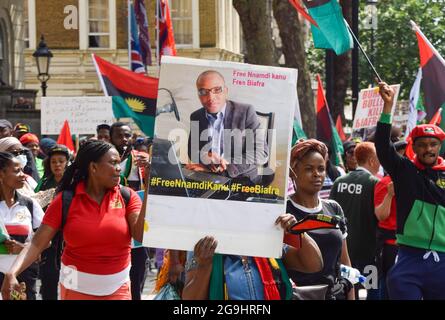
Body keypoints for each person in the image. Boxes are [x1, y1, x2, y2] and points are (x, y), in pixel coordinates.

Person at [1, 140, 148, 300]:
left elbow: (140, 236)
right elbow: (37, 243)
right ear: (93, 167)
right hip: (74, 289)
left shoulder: (127, 197)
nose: (119, 169)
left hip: (118, 289)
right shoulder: (65, 200)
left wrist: (149, 190)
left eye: (119, 163)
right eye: (113, 163)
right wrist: (12, 272)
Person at [375, 82, 445, 300]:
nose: (428, 149)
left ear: (439, 146)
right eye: (422, 144)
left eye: (433, 144)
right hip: (408, 259)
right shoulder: (405, 171)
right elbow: (383, 148)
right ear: (413, 147)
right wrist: (387, 108)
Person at [286, 139, 354, 300]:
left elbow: (345, 263)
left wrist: (351, 296)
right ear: (293, 172)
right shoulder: (284, 212)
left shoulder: (334, 208)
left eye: (321, 169)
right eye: (309, 169)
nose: (317, 174)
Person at [182, 224, 324, 300]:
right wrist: (204, 264)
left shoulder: (270, 238)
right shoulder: (205, 245)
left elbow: (314, 264)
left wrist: (297, 230)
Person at [187, 70, 268, 185]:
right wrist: (206, 156)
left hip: (243, 180)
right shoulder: (196, 116)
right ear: (198, 95)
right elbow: (192, 151)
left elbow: (261, 152)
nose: (211, 97)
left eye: (217, 90)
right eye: (203, 92)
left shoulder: (246, 112)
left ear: (226, 91)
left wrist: (227, 164)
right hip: (209, 177)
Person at [330, 142, 380, 299]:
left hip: (343, 251)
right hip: (369, 253)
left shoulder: (339, 182)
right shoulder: (374, 183)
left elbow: (330, 215)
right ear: (372, 160)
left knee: (348, 291)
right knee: (371, 291)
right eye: (379, 159)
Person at [110, 122, 151, 300]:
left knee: (139, 261)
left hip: (136, 212)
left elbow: (154, 185)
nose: (124, 139)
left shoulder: (140, 158)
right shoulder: (104, 159)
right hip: (112, 212)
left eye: (127, 135)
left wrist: (150, 167)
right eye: (119, 135)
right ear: (111, 137)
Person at [0, 152, 44, 300]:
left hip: (24, 275)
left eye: (22, 170)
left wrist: (23, 247)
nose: (23, 175)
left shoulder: (29, 204)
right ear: (1, 174)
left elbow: (46, 240)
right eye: (17, 170)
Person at [34, 145, 70, 300]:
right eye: (53, 162)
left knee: (70, 281)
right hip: (48, 238)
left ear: (68, 162)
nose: (57, 165)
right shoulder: (43, 184)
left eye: (61, 161)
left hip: (69, 238)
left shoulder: (74, 183)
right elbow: (34, 206)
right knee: (48, 279)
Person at [373, 140, 407, 300]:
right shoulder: (385, 183)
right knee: (388, 286)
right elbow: (381, 215)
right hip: (391, 246)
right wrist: (390, 194)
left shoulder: (415, 181)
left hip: (411, 245)